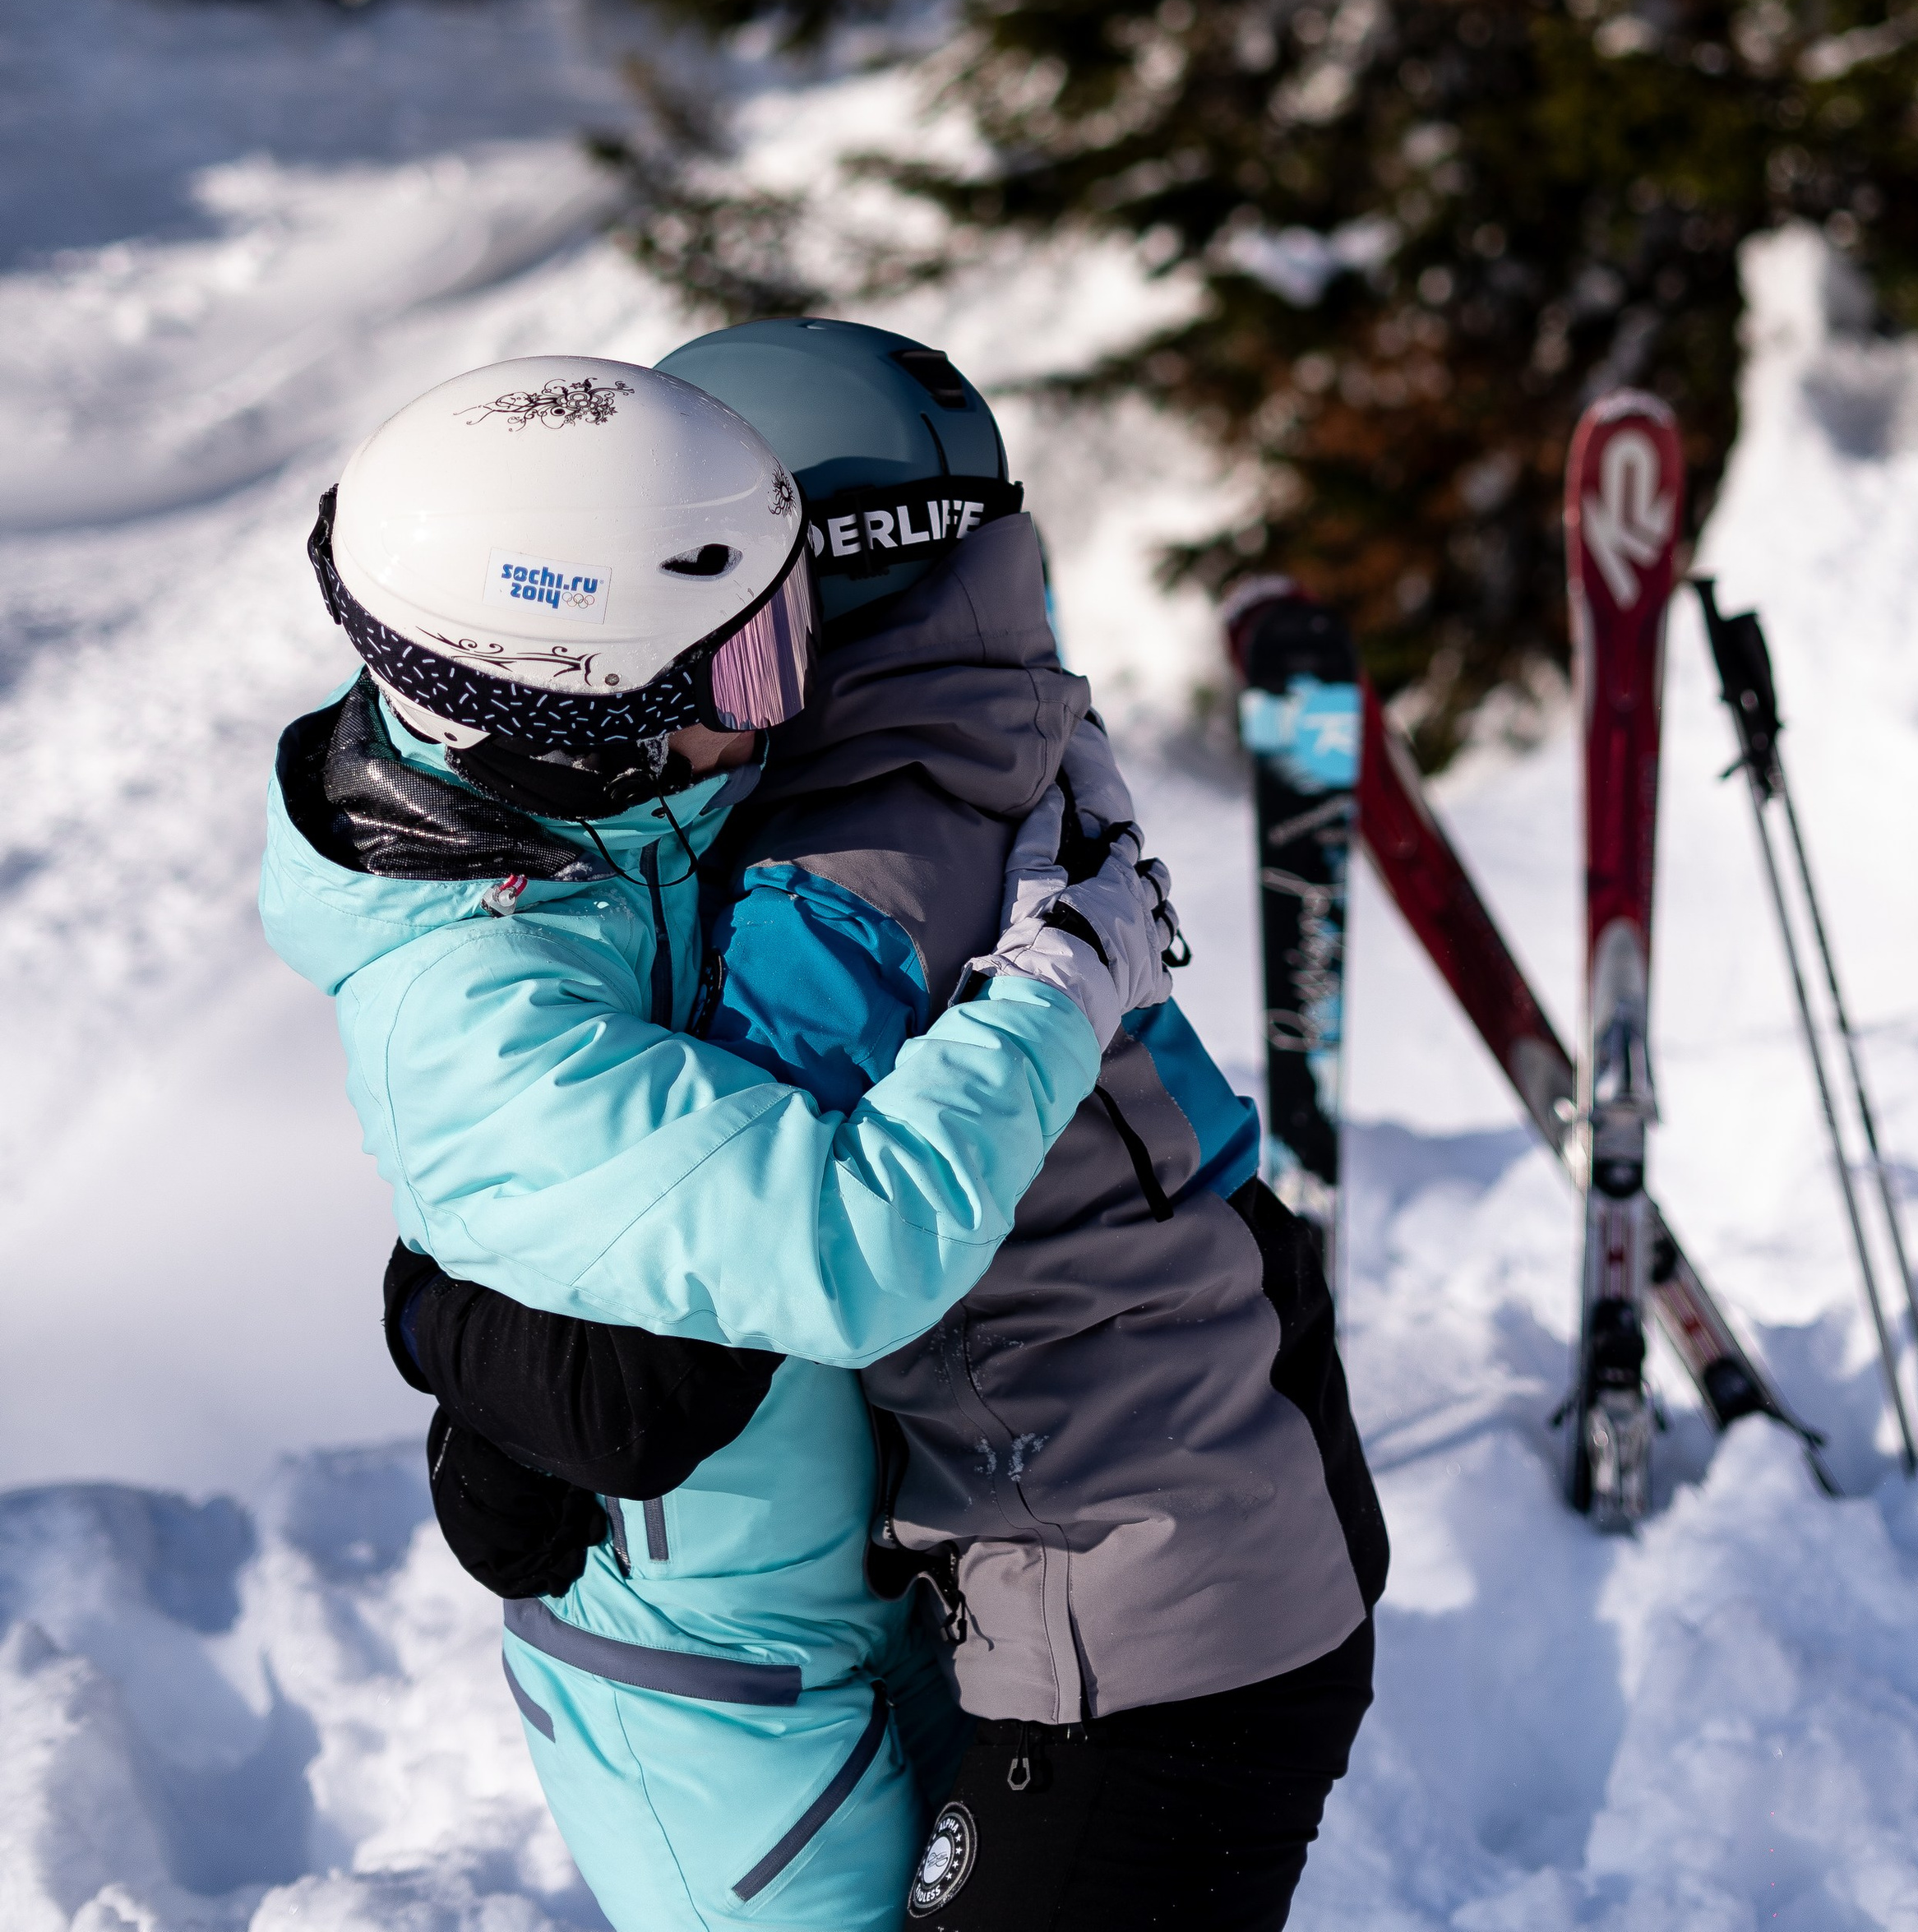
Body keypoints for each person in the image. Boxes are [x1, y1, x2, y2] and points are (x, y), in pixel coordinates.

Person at [372, 321, 1389, 1932]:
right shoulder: (987, 720)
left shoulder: (845, 878)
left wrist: (439, 1314)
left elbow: (655, 1362)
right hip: (1195, 1508)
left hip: (1141, 1610)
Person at [262, 353, 1176, 1932]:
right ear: (568, 721)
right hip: (720, 1715)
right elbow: (855, 1247)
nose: (784, 706)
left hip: (852, 1605)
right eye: (745, 671)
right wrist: (1060, 986)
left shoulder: (602, 831)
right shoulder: (484, 1016)